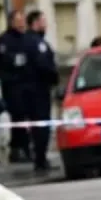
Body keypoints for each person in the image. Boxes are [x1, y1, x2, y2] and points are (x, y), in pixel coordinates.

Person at [0, 9, 33, 163]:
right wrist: (19, 60)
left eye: (23, 20)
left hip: (27, 84)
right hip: (12, 85)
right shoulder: (3, 41)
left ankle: (24, 147)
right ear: (12, 22)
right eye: (19, 20)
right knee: (17, 117)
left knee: (26, 117)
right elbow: (8, 61)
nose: (22, 23)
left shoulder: (27, 38)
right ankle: (18, 149)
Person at [25, 10, 58, 171]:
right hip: (38, 90)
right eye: (43, 21)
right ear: (35, 23)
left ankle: (40, 157)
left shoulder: (36, 41)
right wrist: (54, 76)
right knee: (41, 125)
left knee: (40, 125)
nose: (45, 24)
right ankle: (40, 159)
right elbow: (43, 65)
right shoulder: (36, 42)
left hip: (37, 89)